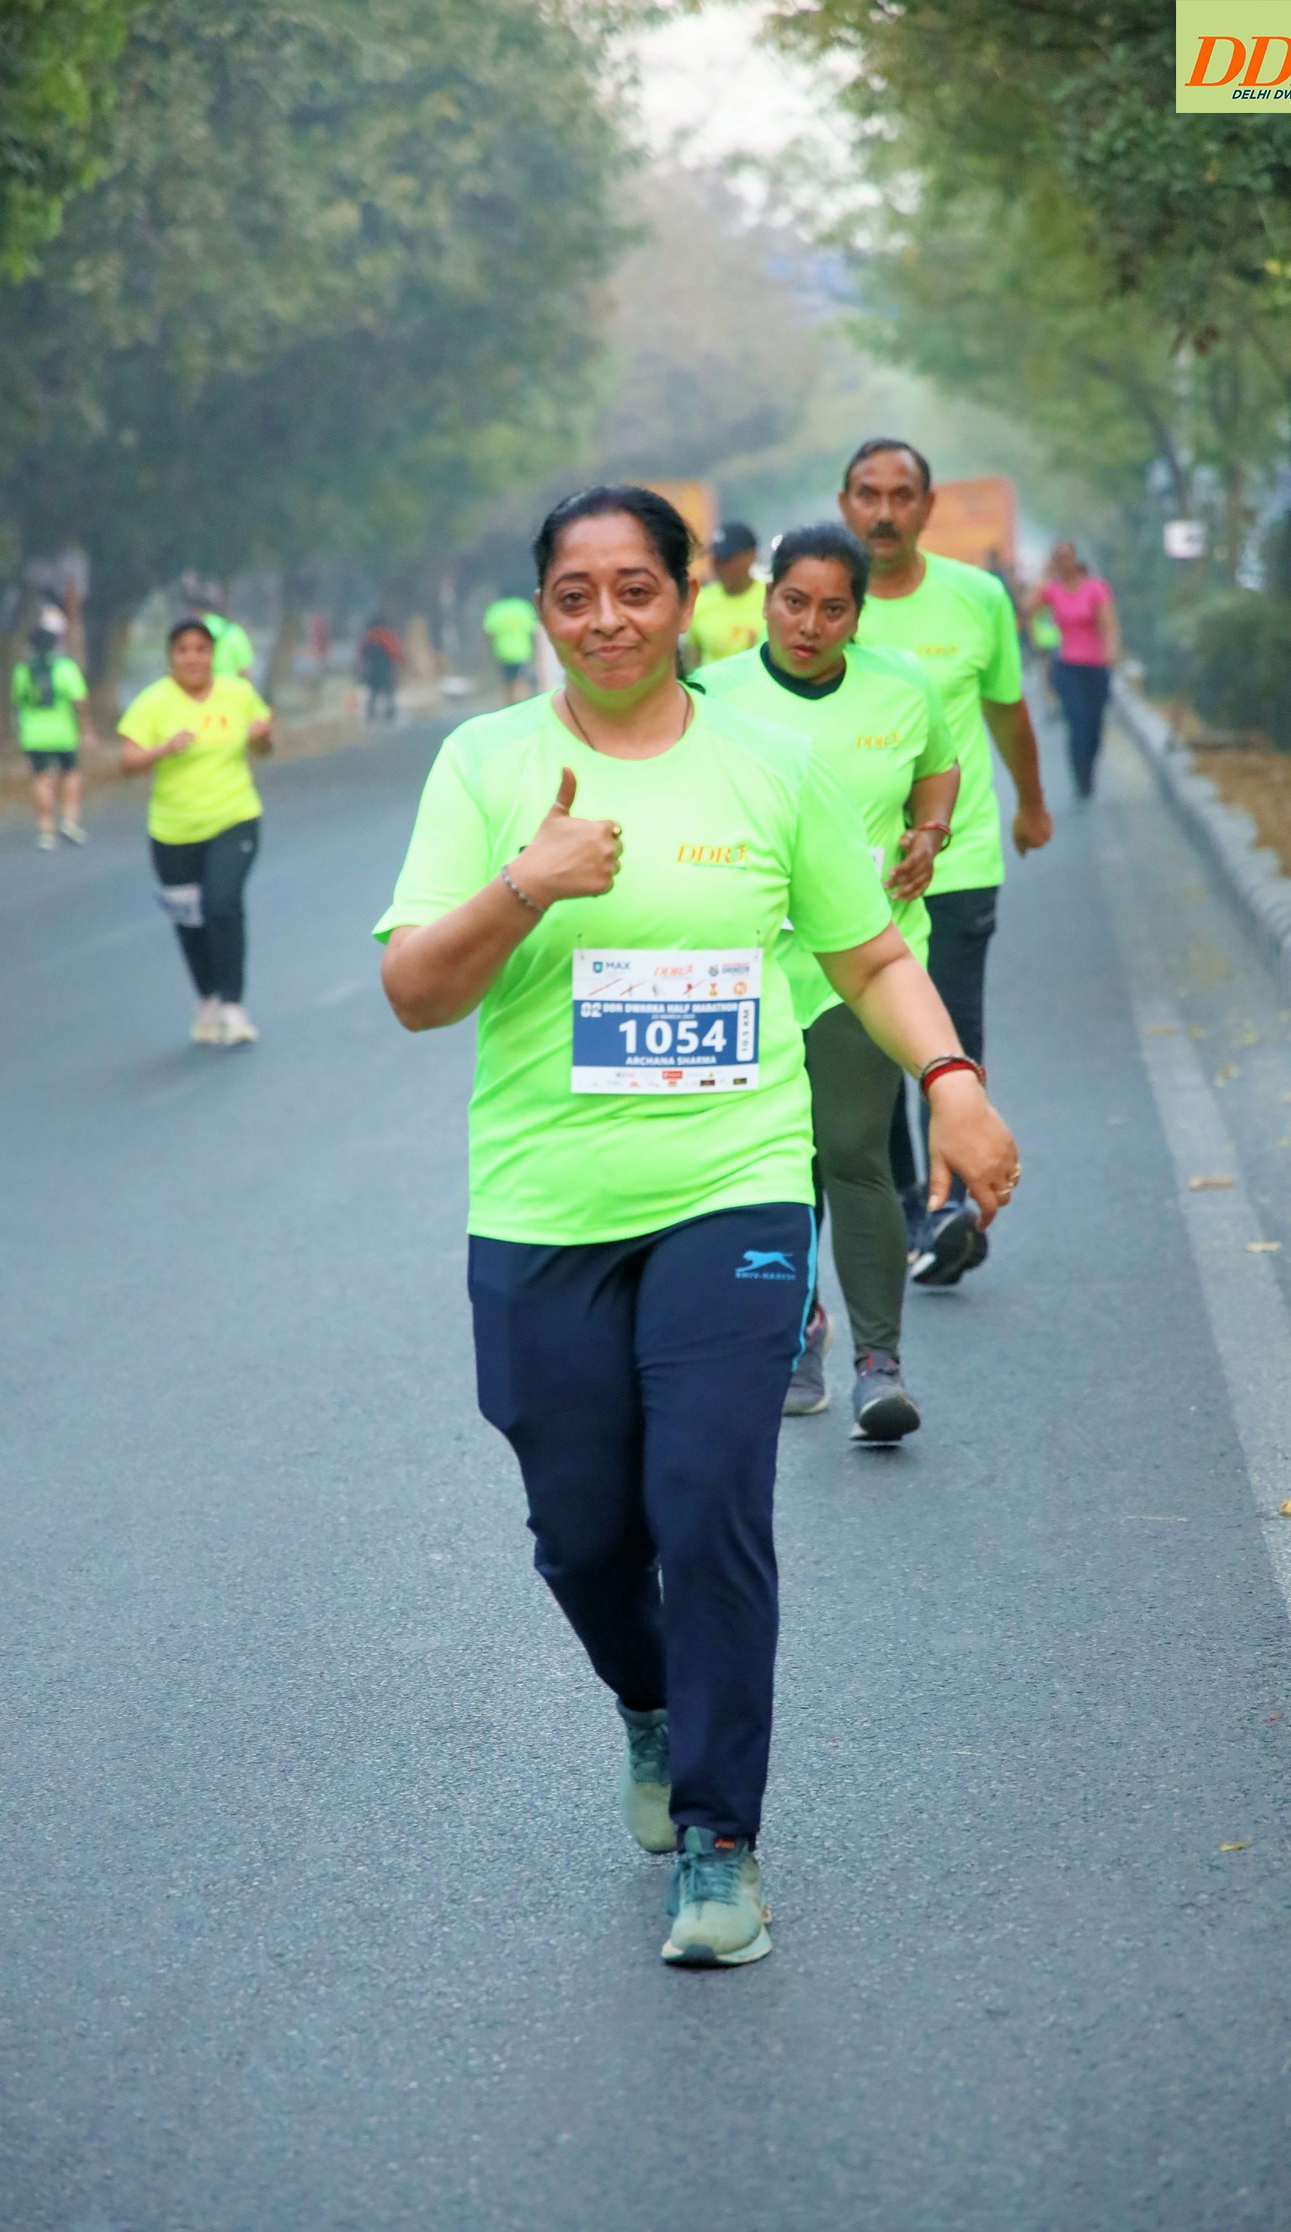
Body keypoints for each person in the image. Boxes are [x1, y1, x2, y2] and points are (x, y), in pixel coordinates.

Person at [376, 486, 1019, 1967]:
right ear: (547, 611)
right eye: (575, 595)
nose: (606, 619)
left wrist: (954, 1081)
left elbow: (868, 953)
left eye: (635, 589)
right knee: (581, 1533)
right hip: (543, 1205)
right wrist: (526, 885)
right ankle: (651, 1704)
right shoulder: (487, 765)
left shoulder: (765, 765)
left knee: (710, 1495)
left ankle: (722, 1843)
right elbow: (416, 992)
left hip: (733, 1185)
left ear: (684, 600)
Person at [700, 523, 960, 1441]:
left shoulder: (903, 687)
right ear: (767, 598)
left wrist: (930, 834)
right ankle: (799, 1329)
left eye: (833, 608)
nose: (810, 625)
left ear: (859, 613)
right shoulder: (712, 696)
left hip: (870, 958)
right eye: (794, 602)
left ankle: (878, 1365)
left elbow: (938, 770)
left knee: (851, 1149)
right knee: (777, 1166)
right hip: (752, 967)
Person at [839, 437, 1052, 1287]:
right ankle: (909, 1206)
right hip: (848, 875)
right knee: (874, 1048)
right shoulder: (825, 606)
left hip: (956, 864)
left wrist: (1031, 803)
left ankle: (953, 1208)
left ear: (928, 508)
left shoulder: (977, 598)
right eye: (868, 494)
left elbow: (1006, 711)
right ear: (845, 504)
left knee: (952, 1042)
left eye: (902, 495)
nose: (884, 511)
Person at [119, 618, 273, 1047]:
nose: (192, 658)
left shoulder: (238, 694)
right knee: (190, 921)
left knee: (222, 905)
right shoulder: (152, 703)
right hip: (173, 831)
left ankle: (233, 1006)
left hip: (234, 817)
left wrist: (261, 737)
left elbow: (263, 747)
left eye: (201, 649)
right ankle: (207, 997)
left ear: (212, 655)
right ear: (171, 657)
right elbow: (128, 763)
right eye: (183, 650)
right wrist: (163, 749)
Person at [1026, 542, 1120, 800]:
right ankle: (1081, 780)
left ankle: (1089, 767)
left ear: (1075, 558)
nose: (1064, 562)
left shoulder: (1095, 588)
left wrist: (1111, 652)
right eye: (1058, 558)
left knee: (1094, 726)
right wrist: (1044, 576)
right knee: (1077, 723)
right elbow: (1026, 608)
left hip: (1095, 666)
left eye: (1067, 557)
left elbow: (1109, 624)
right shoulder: (1053, 590)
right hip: (1068, 666)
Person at [12, 624, 95, 850]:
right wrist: (87, 729)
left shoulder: (22, 671)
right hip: (64, 734)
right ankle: (70, 822)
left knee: (41, 780)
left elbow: (17, 701)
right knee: (70, 775)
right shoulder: (66, 668)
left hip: (34, 735)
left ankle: (45, 830)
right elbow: (80, 701)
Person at [683, 521, 766, 669]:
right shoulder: (700, 600)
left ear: (751, 556)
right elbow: (691, 659)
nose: (720, 566)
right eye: (716, 559)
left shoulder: (771, 599)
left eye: (728, 559)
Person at [482, 588, 540, 703]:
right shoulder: (523, 607)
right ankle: (522, 704)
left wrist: (489, 651)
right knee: (521, 681)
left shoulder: (496, 609)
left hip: (502, 653)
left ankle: (510, 704)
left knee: (507, 682)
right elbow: (534, 630)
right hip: (522, 652)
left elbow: (488, 632)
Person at [360, 617, 403, 720]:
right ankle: (391, 713)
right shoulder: (387, 636)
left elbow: (362, 655)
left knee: (373, 694)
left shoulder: (368, 637)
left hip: (373, 670)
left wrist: (362, 669)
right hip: (385, 669)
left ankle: (370, 714)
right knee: (389, 693)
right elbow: (396, 653)